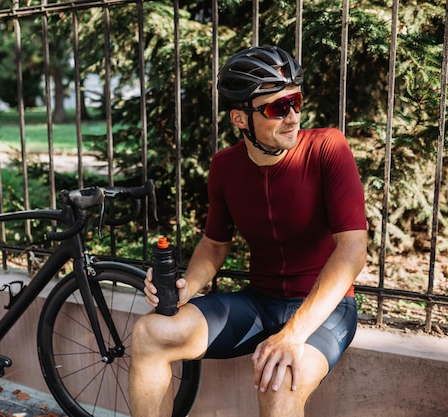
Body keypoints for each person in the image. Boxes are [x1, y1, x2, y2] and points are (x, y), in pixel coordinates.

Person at [129, 45, 368, 417]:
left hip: (326, 311)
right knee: (150, 333)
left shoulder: (327, 147)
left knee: (279, 382)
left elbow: (352, 251)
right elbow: (214, 243)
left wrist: (294, 334)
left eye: (295, 101)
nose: (292, 117)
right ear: (241, 119)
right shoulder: (225, 166)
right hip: (260, 302)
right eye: (276, 108)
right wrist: (185, 288)